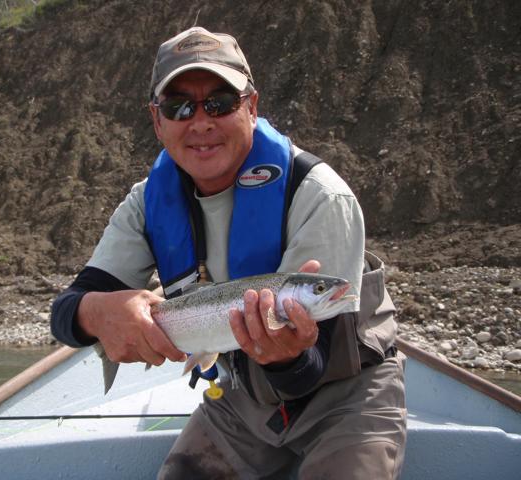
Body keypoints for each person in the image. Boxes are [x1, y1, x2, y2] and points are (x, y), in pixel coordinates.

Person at [51, 27, 406, 479]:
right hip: (242, 401)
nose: (201, 122)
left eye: (220, 102)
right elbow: (63, 313)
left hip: (348, 397)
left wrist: (286, 355)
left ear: (252, 107)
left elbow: (309, 371)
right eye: (180, 107)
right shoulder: (147, 203)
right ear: (157, 121)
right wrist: (94, 313)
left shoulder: (319, 195)